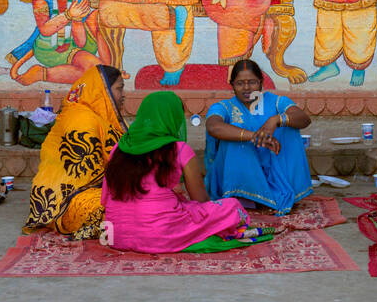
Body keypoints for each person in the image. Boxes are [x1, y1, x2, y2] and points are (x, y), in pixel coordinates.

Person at [103, 91, 268, 254]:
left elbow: (106, 197)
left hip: (116, 236)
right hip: (159, 235)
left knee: (178, 202)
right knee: (231, 206)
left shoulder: (119, 148)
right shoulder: (179, 149)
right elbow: (201, 200)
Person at [22, 65, 125, 239]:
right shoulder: (81, 119)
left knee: (143, 202)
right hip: (69, 199)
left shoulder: (100, 117)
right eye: (119, 89)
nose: (124, 96)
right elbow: (88, 173)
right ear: (103, 91)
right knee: (123, 211)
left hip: (96, 189)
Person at [204, 59, 314, 215]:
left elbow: (303, 119)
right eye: (240, 83)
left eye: (252, 82)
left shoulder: (276, 102)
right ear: (232, 85)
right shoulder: (224, 107)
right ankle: (246, 195)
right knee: (234, 139)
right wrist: (255, 137)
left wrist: (275, 120)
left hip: (273, 164)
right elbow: (213, 127)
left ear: (261, 83)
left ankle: (277, 192)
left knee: (290, 126)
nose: (247, 88)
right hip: (241, 172)